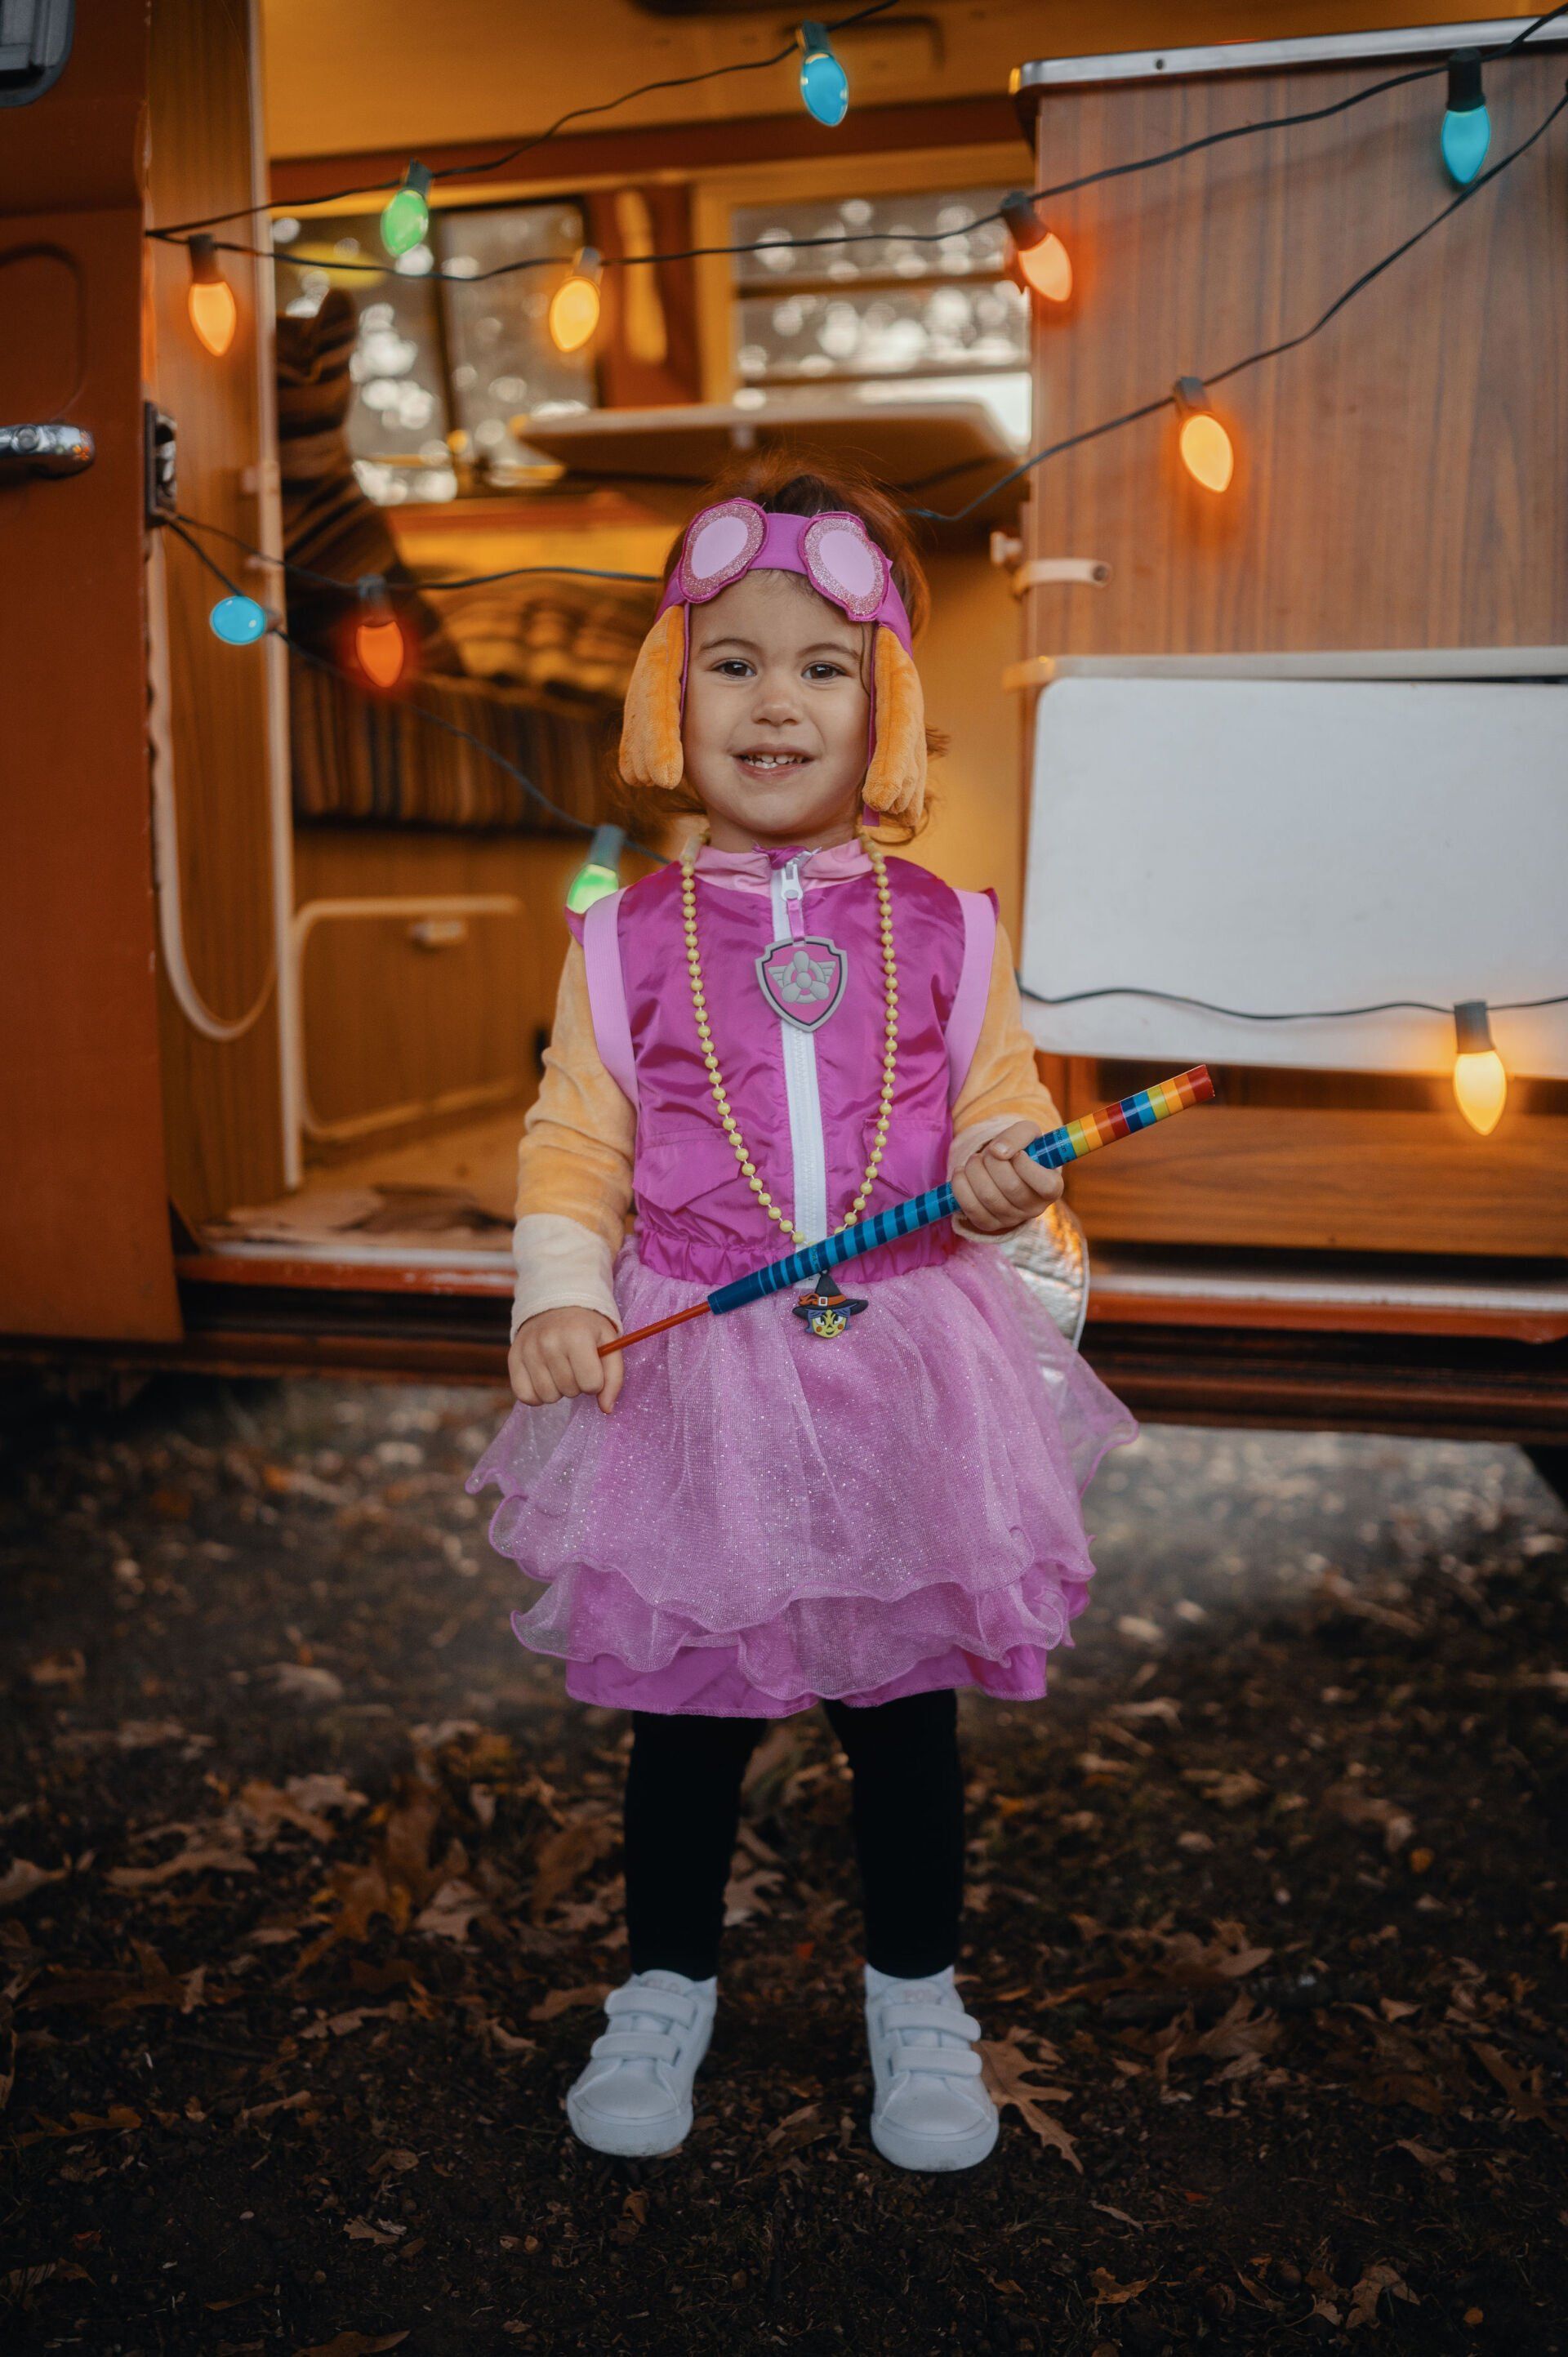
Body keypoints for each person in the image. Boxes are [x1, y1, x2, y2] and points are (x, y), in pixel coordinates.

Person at [468, 454, 1134, 2172]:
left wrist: (1003, 1164)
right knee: (687, 1715)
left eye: (824, 667)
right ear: (670, 692)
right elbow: (574, 1137)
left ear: (885, 704)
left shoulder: (951, 927)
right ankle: (664, 1986)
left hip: (904, 1360)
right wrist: (558, 1289)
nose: (778, 703)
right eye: (734, 661)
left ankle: (917, 1995)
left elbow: (1001, 1104)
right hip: (698, 1371)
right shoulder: (620, 938)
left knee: (901, 1716)